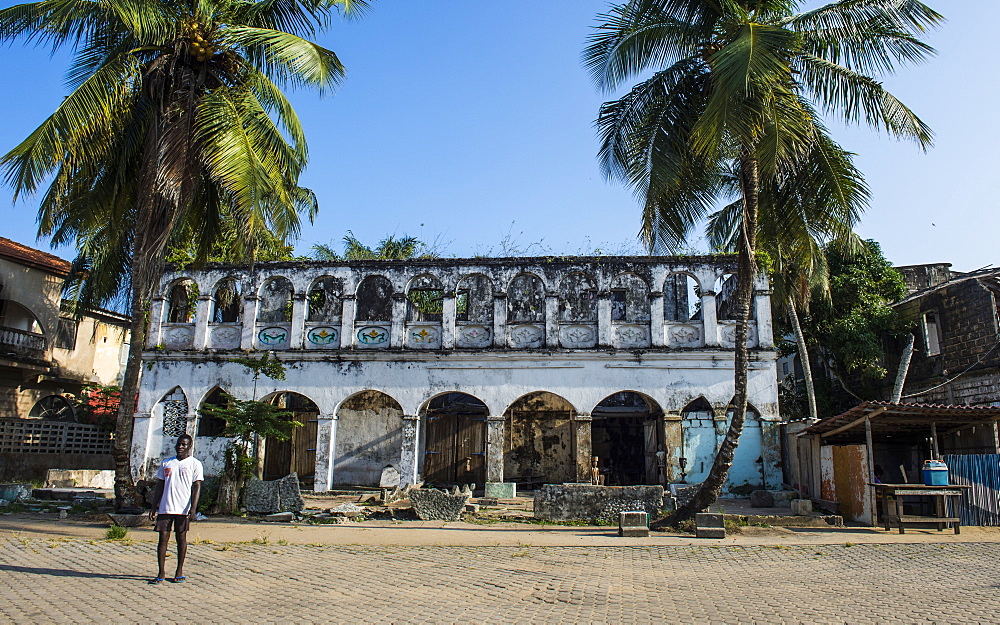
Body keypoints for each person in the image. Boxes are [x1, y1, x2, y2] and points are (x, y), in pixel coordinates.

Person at [148, 434, 203, 584]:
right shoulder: (167, 463)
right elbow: (160, 486)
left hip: (183, 509)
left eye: (184, 445)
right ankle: (161, 572)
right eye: (179, 444)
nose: (180, 447)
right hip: (165, 507)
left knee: (181, 539)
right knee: (163, 540)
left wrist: (193, 508)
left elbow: (196, 487)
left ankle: (179, 571)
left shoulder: (195, 464)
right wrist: (154, 506)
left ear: (189, 447)